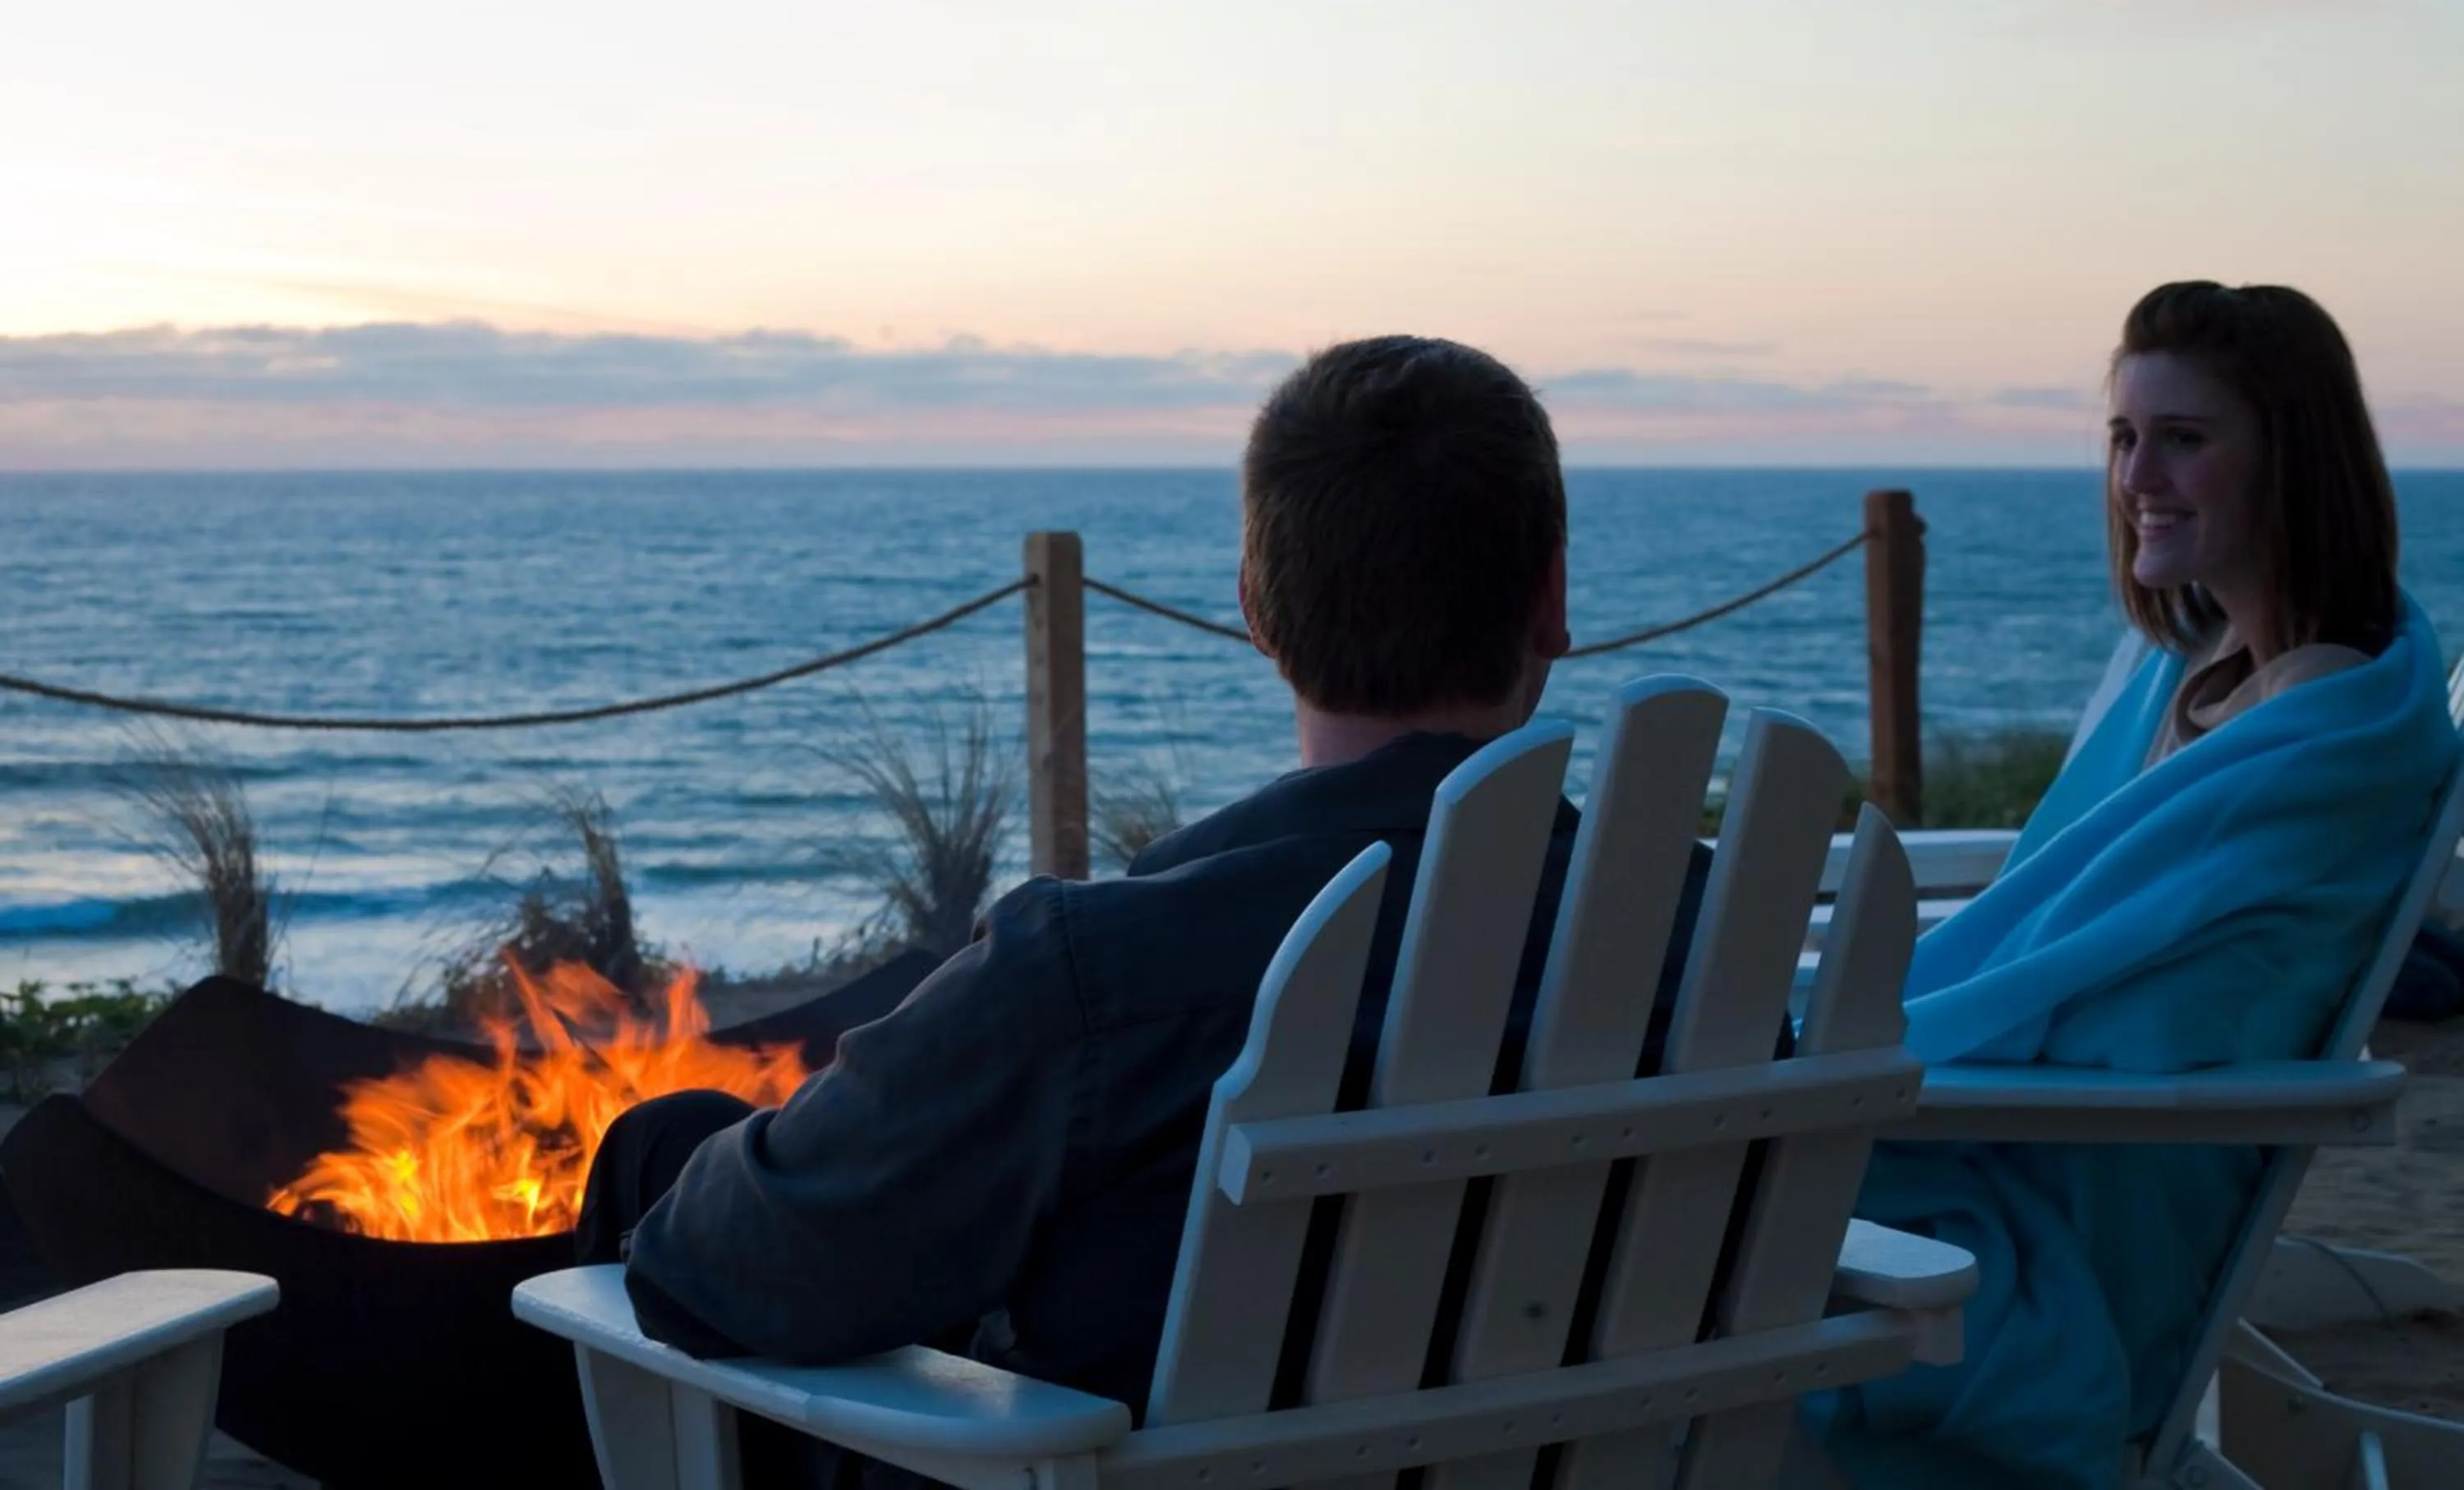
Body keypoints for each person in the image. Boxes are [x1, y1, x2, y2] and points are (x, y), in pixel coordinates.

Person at [576, 336, 1735, 1485]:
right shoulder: (1706, 937)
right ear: (1552, 599)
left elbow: (703, 1271)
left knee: (658, 1153)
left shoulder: (1098, 978)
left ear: (1257, 609)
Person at [1804, 282, 2460, 1489]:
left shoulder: (2323, 727)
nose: (2137, 476)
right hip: (2017, 1134)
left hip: (2082, 1204)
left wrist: (1845, 1052)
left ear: (2294, 460)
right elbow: (2064, 919)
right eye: (2122, 437)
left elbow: (2145, 1007)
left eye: (2185, 439)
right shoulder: (2197, 667)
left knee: (1689, 1227)